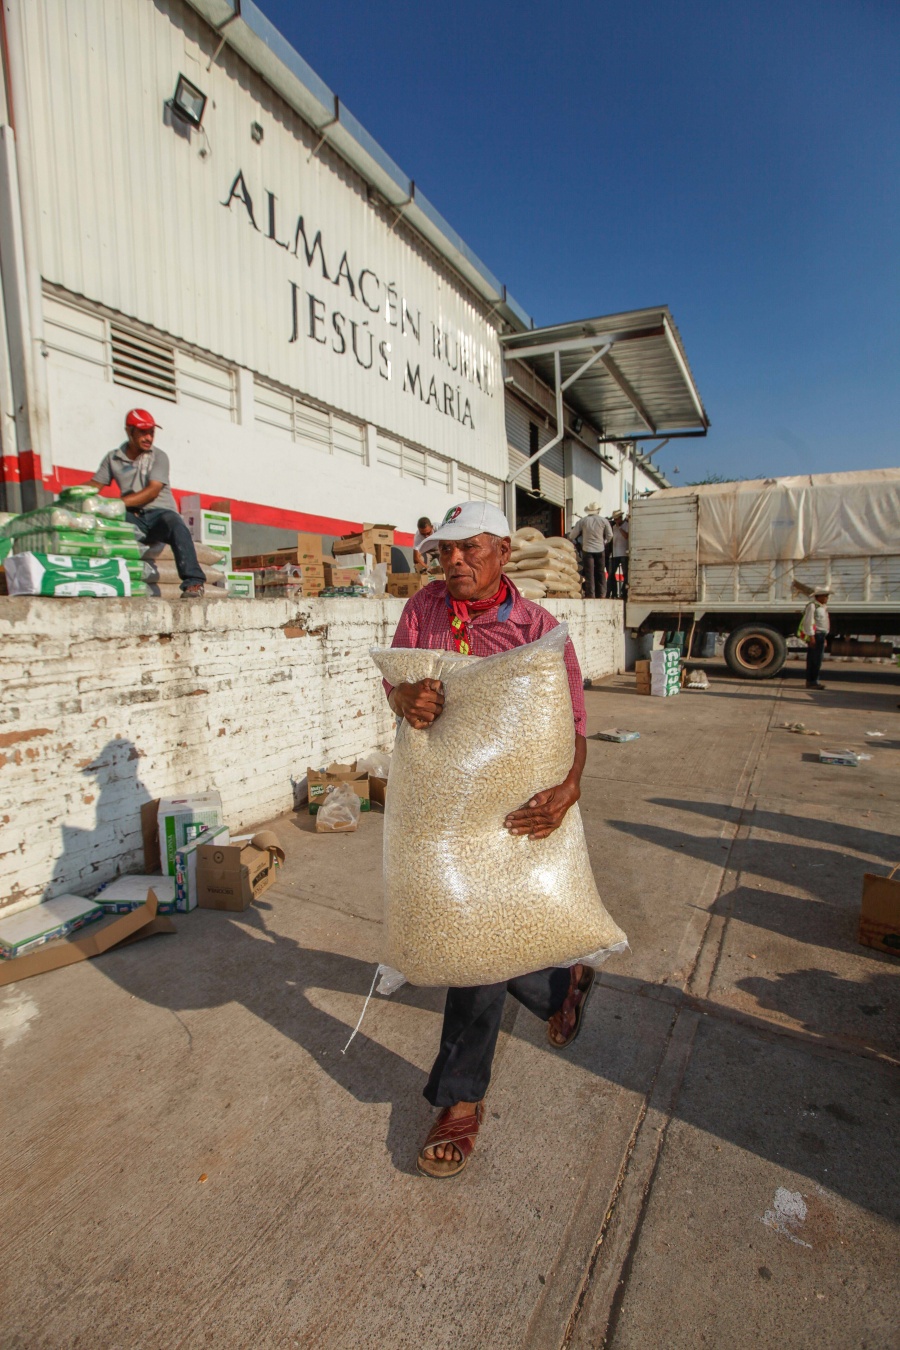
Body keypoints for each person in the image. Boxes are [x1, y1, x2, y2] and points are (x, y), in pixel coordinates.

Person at [383, 500, 594, 1179]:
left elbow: (577, 726)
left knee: (477, 948)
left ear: (503, 551)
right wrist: (406, 698)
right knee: (474, 933)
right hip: (444, 806)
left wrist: (570, 788)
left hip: (513, 812)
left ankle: (459, 1101)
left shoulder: (539, 630)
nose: (456, 562)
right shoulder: (423, 610)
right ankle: (560, 983)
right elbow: (397, 684)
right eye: (446, 550)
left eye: (471, 549)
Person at [90, 410, 206, 597]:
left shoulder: (159, 456)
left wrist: (116, 504)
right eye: (143, 432)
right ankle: (106, 580)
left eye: (151, 432)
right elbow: (95, 484)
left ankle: (194, 582)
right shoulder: (113, 458)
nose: (148, 437)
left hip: (159, 515)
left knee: (177, 525)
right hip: (132, 517)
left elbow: (152, 491)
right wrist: (76, 497)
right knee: (103, 525)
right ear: (129, 431)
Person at [568, 502, 612, 599]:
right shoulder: (604, 521)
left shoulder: (583, 521)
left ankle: (590, 594)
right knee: (600, 572)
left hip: (587, 549)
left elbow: (572, 535)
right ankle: (602, 594)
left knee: (589, 573)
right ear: (598, 510)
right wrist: (604, 542)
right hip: (600, 549)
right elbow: (610, 535)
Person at [799, 588, 830, 689]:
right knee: (814, 659)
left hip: (821, 634)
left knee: (818, 659)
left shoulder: (823, 607)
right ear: (818, 596)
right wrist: (811, 637)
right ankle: (812, 681)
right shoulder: (812, 606)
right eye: (824, 595)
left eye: (827, 595)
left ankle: (813, 680)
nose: (826, 598)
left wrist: (824, 637)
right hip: (816, 635)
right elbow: (808, 622)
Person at [610, 510, 630, 599]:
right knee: (611, 574)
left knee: (625, 574)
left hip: (624, 553)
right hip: (615, 554)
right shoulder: (613, 527)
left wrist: (620, 528)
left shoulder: (626, 525)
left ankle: (623, 592)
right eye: (615, 519)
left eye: (617, 519)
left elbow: (626, 536)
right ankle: (614, 592)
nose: (616, 521)